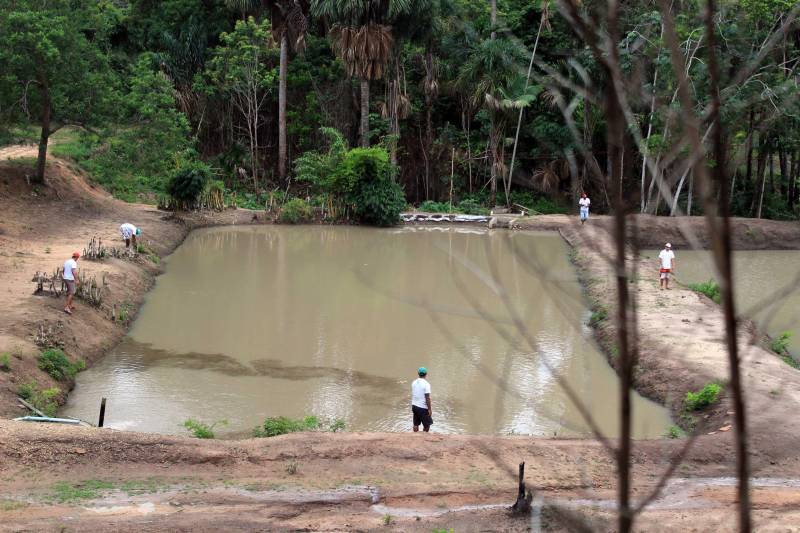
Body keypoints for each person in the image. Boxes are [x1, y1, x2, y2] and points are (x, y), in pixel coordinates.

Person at [411, 367, 433, 433]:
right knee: (427, 425)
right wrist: (429, 409)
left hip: (414, 405)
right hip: (422, 407)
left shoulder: (414, 382)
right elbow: (427, 398)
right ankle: (424, 438)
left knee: (415, 424)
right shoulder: (426, 384)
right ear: (426, 374)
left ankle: (414, 436)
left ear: (418, 374)